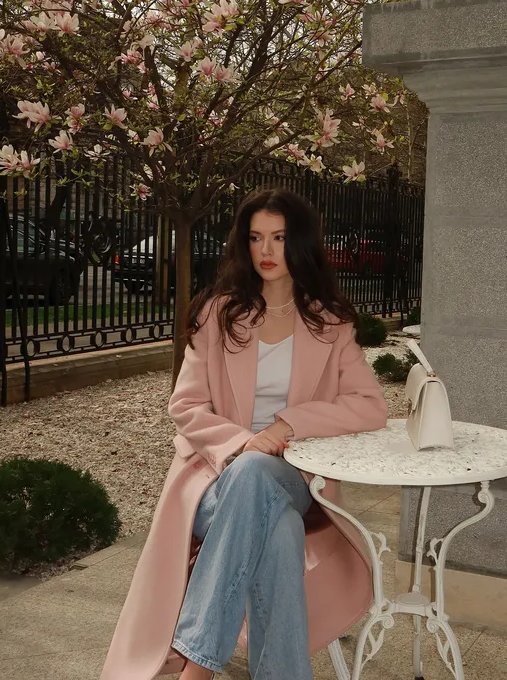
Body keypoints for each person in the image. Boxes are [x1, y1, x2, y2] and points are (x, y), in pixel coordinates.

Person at [100, 189, 388, 680]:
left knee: (259, 475)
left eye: (278, 237)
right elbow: (186, 406)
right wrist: (240, 444)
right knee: (278, 529)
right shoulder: (218, 315)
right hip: (216, 475)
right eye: (256, 238)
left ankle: (197, 664)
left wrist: (288, 425)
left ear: (300, 243)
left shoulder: (330, 324)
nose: (265, 251)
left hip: (293, 474)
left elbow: (370, 406)